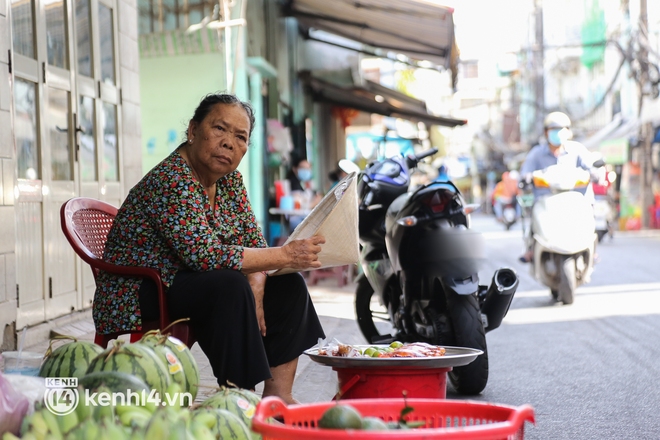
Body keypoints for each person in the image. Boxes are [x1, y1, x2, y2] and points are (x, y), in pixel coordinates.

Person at [94, 93, 326, 404]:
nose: (229, 142)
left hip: (186, 281)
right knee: (228, 284)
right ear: (192, 131)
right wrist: (286, 254)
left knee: (288, 284)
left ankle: (278, 398)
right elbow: (204, 256)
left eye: (240, 136)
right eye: (219, 128)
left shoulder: (230, 182)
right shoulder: (171, 179)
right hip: (140, 288)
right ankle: (237, 399)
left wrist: (258, 285)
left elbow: (252, 240)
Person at [518, 111, 596, 262]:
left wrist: (595, 173)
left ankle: (591, 247)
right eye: (553, 130)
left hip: (576, 201)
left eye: (561, 129)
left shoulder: (577, 150)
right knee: (535, 216)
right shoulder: (536, 153)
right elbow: (525, 172)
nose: (557, 133)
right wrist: (526, 177)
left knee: (590, 215)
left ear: (568, 131)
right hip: (546, 202)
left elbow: (591, 167)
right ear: (546, 133)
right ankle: (531, 248)